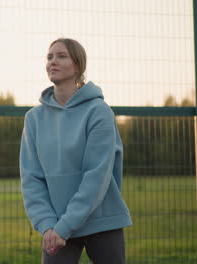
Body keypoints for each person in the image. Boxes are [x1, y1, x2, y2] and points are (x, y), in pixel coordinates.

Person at [19, 38, 132, 264]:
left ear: (78, 66)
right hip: (56, 225)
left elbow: (96, 176)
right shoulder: (34, 119)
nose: (53, 61)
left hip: (101, 220)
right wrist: (49, 225)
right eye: (49, 56)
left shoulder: (98, 111)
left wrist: (65, 226)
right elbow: (31, 178)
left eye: (61, 56)